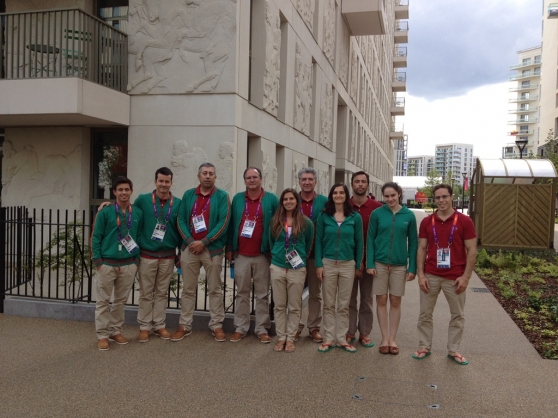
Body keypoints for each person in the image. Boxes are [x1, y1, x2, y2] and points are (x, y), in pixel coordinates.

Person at [414, 183, 477, 365]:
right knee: (425, 313)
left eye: (444, 197)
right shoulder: (427, 222)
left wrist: (465, 277)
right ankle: (424, 346)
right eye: (438, 197)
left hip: (455, 277)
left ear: (451, 197)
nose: (441, 200)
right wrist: (421, 275)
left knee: (457, 315)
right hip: (431, 274)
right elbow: (422, 248)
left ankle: (454, 350)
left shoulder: (464, 221)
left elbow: (472, 250)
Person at [171, 163, 231, 342]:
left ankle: (217, 325)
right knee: (188, 290)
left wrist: (204, 242)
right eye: (204, 173)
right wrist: (190, 242)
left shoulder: (222, 196)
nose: (207, 176)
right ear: (198, 176)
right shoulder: (189, 195)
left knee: (215, 289)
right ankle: (184, 325)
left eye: (211, 173)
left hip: (212, 250)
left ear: (215, 177)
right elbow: (181, 219)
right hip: (189, 249)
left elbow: (224, 221)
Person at [226, 167, 279, 343]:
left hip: (263, 255)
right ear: (244, 181)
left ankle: (262, 328)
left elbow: (277, 224)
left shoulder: (271, 199)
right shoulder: (238, 199)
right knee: (241, 292)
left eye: (255, 177)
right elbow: (232, 223)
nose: (252, 180)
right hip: (241, 254)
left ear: (261, 179)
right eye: (248, 178)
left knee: (262, 294)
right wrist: (230, 248)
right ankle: (240, 327)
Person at [366, 182, 418, 355]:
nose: (390, 199)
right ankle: (384, 338)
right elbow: (370, 240)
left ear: (399, 194)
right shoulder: (377, 214)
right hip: (380, 264)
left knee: (395, 301)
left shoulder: (408, 215)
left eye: (393, 195)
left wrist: (413, 268)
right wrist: (370, 263)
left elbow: (413, 243)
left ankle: (393, 339)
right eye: (386, 196)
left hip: (399, 265)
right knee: (381, 300)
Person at [92, 176, 142, 351]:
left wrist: (136, 261)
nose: (124, 193)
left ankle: (115, 330)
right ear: (114, 192)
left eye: (126, 189)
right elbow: (96, 237)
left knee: (120, 301)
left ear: (131, 191)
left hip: (128, 264)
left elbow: (140, 237)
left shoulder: (137, 212)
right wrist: (97, 261)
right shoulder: (105, 212)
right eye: (120, 189)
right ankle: (102, 335)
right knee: (103, 301)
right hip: (107, 263)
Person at [133, 167, 182, 342]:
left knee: (162, 292)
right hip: (147, 254)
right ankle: (144, 326)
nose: (163, 184)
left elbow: (181, 229)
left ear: (171, 182)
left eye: (167, 181)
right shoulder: (143, 200)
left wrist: (181, 253)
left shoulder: (178, 203)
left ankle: (159, 325)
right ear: (155, 181)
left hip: (168, 256)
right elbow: (130, 217)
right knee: (146, 292)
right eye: (160, 181)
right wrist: (108, 204)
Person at [315, 183, 363, 353]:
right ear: (331, 195)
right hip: (328, 263)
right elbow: (318, 241)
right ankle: (328, 338)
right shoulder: (324, 216)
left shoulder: (354, 217)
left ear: (346, 195)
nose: (338, 195)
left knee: (343, 304)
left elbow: (359, 242)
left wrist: (358, 265)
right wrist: (319, 264)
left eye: (341, 192)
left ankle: (341, 338)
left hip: (347, 265)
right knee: (328, 303)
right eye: (335, 192)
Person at [269, 188, 314, 353]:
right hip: (278, 266)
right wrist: (276, 256)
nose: (288, 202)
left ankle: (290, 337)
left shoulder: (306, 222)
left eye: (291, 199)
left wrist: (299, 258)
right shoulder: (276, 221)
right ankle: (281, 337)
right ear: (282, 202)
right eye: (285, 199)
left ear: (297, 201)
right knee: (279, 305)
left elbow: (308, 243)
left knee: (295, 306)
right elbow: (271, 241)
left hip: (297, 268)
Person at [348, 171, 382, 348]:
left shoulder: (377, 207)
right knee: (349, 299)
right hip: (349, 260)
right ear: (351, 184)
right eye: (356, 181)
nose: (360, 184)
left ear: (368, 185)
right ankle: (350, 330)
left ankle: (365, 332)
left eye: (363, 182)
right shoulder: (345, 206)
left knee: (367, 299)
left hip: (370, 261)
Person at [295, 167, 327, 343]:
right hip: (296, 255)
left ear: (315, 182)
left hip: (316, 254)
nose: (307, 182)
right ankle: (296, 326)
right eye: (303, 179)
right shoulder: (292, 199)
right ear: (299, 181)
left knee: (315, 293)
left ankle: (314, 327)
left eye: (310, 179)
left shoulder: (324, 202)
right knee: (295, 293)